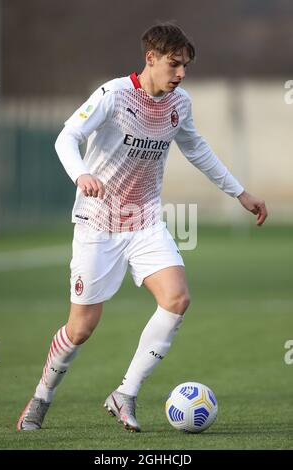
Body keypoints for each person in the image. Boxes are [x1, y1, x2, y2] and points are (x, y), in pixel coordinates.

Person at [17, 23, 267, 432]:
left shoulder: (179, 104)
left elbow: (197, 148)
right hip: (98, 222)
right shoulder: (113, 95)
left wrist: (240, 193)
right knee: (81, 328)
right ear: (150, 58)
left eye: (185, 65)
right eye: (174, 63)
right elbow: (67, 136)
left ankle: (125, 393)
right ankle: (42, 396)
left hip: (145, 220)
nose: (181, 73)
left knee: (177, 298)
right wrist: (81, 174)